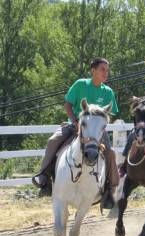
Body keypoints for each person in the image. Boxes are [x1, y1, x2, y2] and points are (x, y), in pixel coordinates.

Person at [32, 57, 119, 208]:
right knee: (53, 141)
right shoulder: (80, 84)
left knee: (110, 153)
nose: (106, 73)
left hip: (96, 132)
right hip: (75, 125)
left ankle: (109, 189)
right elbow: (68, 104)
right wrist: (74, 121)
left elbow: (111, 113)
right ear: (93, 70)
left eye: (107, 70)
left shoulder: (108, 92)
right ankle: (44, 178)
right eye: (102, 69)